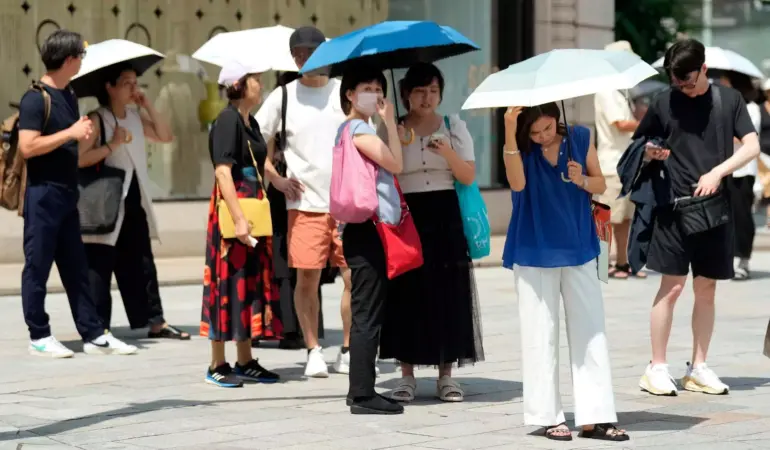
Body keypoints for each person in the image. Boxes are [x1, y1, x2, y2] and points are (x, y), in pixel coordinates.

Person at [633, 39, 759, 396]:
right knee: (671, 287)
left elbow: (750, 145)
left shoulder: (728, 100)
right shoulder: (663, 100)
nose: (683, 89)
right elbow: (640, 144)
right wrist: (651, 152)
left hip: (714, 207)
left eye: (688, 81)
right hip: (672, 208)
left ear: (704, 69)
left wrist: (717, 172)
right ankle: (656, 368)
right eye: (677, 83)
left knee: (707, 288)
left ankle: (698, 367)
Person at [501, 102, 628, 442]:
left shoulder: (580, 137)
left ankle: (596, 416)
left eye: (547, 127)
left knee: (591, 330)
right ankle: (547, 417)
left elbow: (600, 183)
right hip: (532, 247)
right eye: (535, 131)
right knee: (539, 333)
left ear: (556, 118)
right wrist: (510, 130)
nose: (542, 136)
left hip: (580, 244)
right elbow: (516, 184)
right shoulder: (520, 147)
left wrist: (581, 178)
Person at [17, 30, 137, 358]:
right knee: (37, 267)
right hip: (42, 196)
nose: (83, 62)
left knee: (76, 268)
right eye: (80, 56)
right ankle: (39, 335)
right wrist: (69, 132)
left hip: (69, 194)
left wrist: (82, 134)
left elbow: (68, 143)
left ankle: (93, 333)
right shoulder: (35, 98)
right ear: (69, 59)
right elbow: (27, 146)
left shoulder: (68, 95)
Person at [256, 26, 366, 378]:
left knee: (353, 277)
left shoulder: (344, 93)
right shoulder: (283, 97)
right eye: (299, 53)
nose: (306, 58)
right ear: (293, 58)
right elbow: (256, 145)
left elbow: (368, 135)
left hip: (348, 203)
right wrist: (275, 178)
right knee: (307, 278)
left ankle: (348, 348)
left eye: (312, 51)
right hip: (303, 205)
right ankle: (313, 349)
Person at [378, 63, 484, 403]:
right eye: (420, 91)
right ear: (406, 93)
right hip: (407, 216)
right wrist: (390, 129)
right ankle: (406, 374)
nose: (427, 98)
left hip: (444, 214)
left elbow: (467, 175)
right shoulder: (392, 128)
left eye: (433, 91)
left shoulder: (454, 125)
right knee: (406, 293)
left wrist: (447, 152)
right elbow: (383, 172)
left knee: (448, 292)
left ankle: (446, 375)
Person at [78, 64, 188, 339]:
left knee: (142, 262)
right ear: (110, 87)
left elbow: (165, 136)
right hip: (105, 200)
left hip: (134, 199)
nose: (133, 88)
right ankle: (98, 325)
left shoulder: (135, 118)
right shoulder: (96, 119)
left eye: (135, 83)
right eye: (126, 83)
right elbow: (78, 159)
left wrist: (148, 104)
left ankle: (155, 321)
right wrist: (112, 146)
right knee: (99, 264)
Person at [200, 61, 280, 387]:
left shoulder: (251, 122)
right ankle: (217, 363)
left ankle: (245, 359)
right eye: (256, 80)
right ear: (239, 85)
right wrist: (238, 219)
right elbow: (222, 172)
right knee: (226, 282)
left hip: (252, 210)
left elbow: (260, 164)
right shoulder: (227, 120)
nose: (261, 85)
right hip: (234, 212)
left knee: (247, 283)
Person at [339, 65, 404, 415]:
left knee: (367, 309)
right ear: (349, 94)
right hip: (367, 228)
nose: (376, 92)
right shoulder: (358, 128)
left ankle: (359, 389)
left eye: (379, 87)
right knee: (367, 313)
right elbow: (396, 164)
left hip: (359, 227)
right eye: (366, 87)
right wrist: (390, 122)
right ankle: (363, 394)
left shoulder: (345, 130)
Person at [594, 41, 646, 279]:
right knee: (606, 217)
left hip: (624, 164)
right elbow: (621, 124)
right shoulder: (607, 90)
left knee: (624, 218)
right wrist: (647, 123)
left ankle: (622, 263)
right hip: (611, 165)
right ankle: (601, 265)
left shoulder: (619, 91)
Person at [715, 71, 762, 280]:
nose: (721, 84)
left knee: (742, 216)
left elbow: (745, 138)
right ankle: (728, 257)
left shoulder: (751, 108)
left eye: (725, 81)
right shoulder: (723, 106)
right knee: (726, 216)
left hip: (743, 170)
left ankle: (743, 259)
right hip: (724, 169)